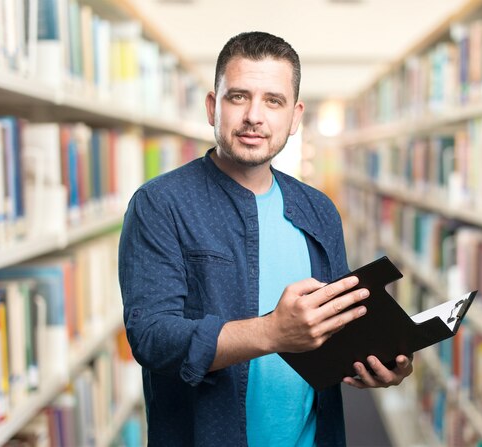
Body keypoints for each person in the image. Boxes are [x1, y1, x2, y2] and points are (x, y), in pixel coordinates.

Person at [118, 31, 413, 447]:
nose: (254, 116)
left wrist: (383, 356)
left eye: (273, 101)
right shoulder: (160, 204)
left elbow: (342, 323)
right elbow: (151, 336)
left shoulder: (318, 209)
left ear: (294, 117)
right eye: (238, 97)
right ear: (212, 107)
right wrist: (272, 332)